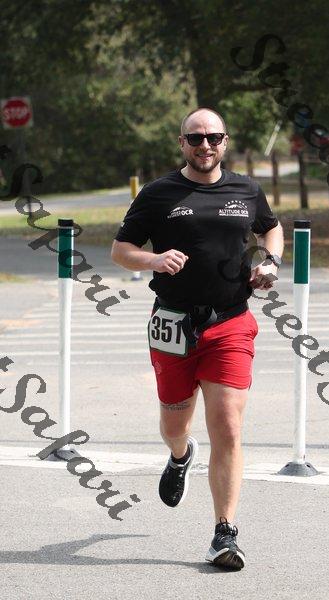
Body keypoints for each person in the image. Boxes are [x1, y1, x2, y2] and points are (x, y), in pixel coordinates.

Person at [111, 107, 284, 570]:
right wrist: (153, 260)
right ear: (182, 143)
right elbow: (121, 250)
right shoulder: (158, 193)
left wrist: (270, 261)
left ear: (225, 141)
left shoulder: (246, 189)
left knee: (228, 425)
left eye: (213, 137)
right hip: (173, 322)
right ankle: (180, 455)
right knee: (174, 424)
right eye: (195, 138)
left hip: (230, 322)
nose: (205, 145)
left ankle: (224, 533)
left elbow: (271, 227)